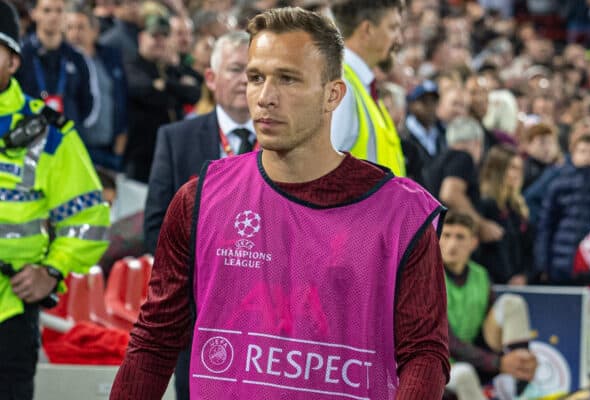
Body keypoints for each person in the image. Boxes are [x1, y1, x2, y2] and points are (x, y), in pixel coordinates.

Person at [111, 7, 449, 399]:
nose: (265, 97)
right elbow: (153, 342)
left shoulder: (403, 217)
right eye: (256, 77)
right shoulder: (198, 200)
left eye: (288, 79)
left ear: (333, 95)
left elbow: (424, 355)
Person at [0, 2, 110, 399]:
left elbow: (89, 218)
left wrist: (52, 269)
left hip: (9, 315)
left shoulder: (51, 133)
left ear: (13, 61)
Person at [144, 30, 254, 400]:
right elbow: (155, 229)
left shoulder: (286, 143)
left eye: (254, 73)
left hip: (267, 319)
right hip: (198, 316)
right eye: (237, 69)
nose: (245, 81)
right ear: (211, 78)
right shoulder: (176, 139)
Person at [440, 211, 537, 400]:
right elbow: (446, 341)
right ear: (437, 239)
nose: (452, 244)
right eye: (446, 235)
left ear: (473, 242)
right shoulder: (426, 276)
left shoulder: (481, 275)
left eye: (460, 237)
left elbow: (489, 328)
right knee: (464, 374)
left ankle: (517, 382)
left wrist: (513, 360)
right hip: (438, 363)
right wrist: (498, 362)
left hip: (475, 356)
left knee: (513, 303)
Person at [330, 0, 407, 177]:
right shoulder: (343, 87)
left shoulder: (359, 86)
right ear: (367, 30)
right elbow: (319, 175)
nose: (399, 38)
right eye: (392, 27)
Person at [122, 14, 201, 183]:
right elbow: (144, 92)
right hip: (141, 157)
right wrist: (177, 88)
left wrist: (165, 84)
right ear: (141, 37)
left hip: (173, 155)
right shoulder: (132, 65)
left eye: (164, 36)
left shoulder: (171, 69)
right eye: (154, 36)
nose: (159, 41)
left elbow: (195, 93)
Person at [65, 3, 128, 171]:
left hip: (108, 150)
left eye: (80, 27)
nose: (74, 34)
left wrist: (120, 142)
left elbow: (122, 99)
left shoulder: (111, 57)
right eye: (70, 28)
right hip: (75, 148)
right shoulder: (63, 62)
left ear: (95, 30)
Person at [16, 0, 94, 130]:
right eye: (47, 10)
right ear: (34, 13)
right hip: (28, 138)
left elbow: (86, 103)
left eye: (59, 10)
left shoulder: (76, 57)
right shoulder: (21, 54)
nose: (53, 16)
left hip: (66, 137)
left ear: (65, 15)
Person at [425, 116, 504, 243]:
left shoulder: (437, 160)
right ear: (478, 142)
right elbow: (450, 194)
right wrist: (480, 225)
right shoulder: (463, 157)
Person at [535, 133, 590, 283]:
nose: (587, 157)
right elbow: (546, 226)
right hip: (561, 265)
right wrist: (542, 264)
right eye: (582, 151)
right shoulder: (559, 184)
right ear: (573, 154)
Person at [476, 145, 534, 285]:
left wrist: (524, 276)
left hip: (519, 285)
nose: (518, 174)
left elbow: (528, 250)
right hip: (491, 285)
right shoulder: (484, 206)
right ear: (498, 170)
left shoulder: (518, 208)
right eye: (512, 168)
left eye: (520, 169)